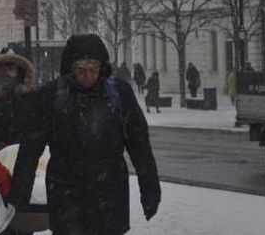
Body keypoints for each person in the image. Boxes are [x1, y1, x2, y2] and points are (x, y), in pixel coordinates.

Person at [12, 34, 161, 235]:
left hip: (109, 193)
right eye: (81, 70)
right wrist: (20, 193)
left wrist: (149, 186)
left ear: (102, 68)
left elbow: (139, 144)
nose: (88, 76)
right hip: (67, 193)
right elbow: (31, 148)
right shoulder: (52, 95)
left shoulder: (119, 93)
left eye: (94, 70)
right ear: (70, 69)